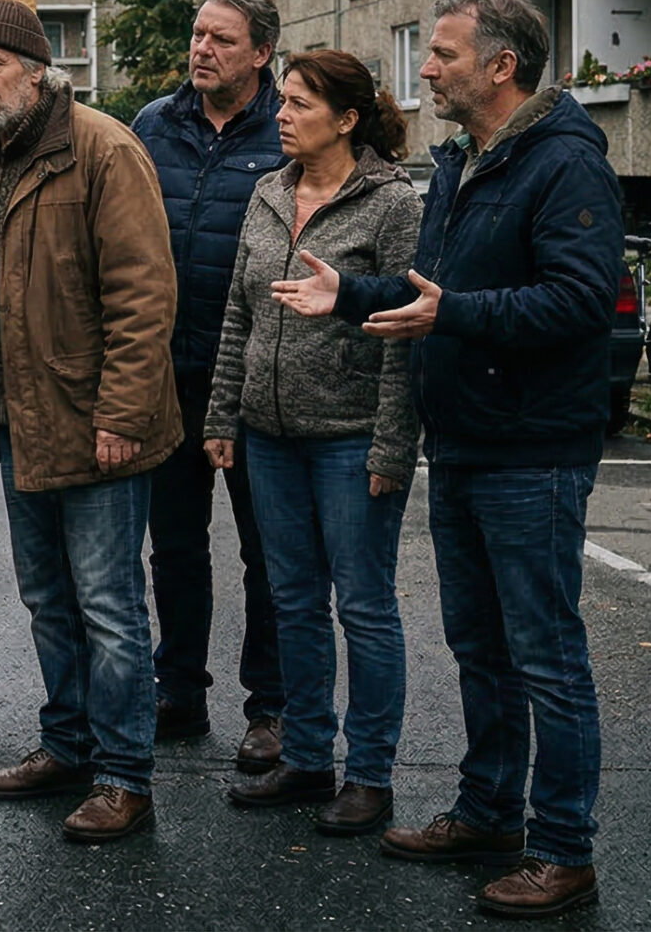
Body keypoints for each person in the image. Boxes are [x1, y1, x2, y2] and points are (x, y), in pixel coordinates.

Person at [274, 0, 621, 920]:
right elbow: (434, 288)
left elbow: (579, 301)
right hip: (465, 441)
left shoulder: (563, 165)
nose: (425, 69)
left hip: (533, 448)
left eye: (442, 54)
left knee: (546, 654)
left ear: (500, 66)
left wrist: (452, 314)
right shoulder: (466, 163)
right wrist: (350, 293)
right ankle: (487, 811)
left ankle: (562, 848)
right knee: (482, 647)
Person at [0, 0, 181, 844]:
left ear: (36, 70)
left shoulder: (103, 148)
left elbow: (144, 295)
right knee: (47, 596)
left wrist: (121, 411)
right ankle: (68, 745)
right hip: (21, 422)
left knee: (110, 604)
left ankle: (124, 776)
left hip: (96, 425)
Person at [205, 49, 421, 836]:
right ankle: (306, 756)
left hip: (349, 435)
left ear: (347, 118)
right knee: (292, 600)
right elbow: (239, 311)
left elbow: (405, 333)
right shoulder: (269, 191)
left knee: (364, 607)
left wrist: (391, 446)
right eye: (284, 101)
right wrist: (222, 416)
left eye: (298, 103)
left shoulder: (393, 203)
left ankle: (369, 774)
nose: (283, 114)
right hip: (268, 436)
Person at [129, 0, 289, 772]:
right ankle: (178, 689)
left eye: (222, 39)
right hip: (169, 372)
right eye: (197, 34)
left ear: (261, 52)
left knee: (270, 550)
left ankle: (272, 708)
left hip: (258, 382)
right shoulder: (154, 126)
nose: (202, 49)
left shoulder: (290, 130)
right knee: (176, 546)